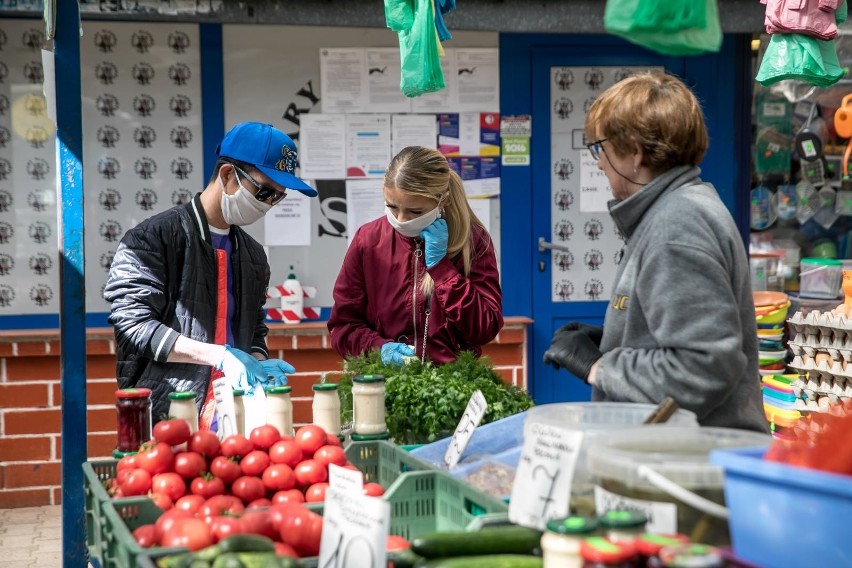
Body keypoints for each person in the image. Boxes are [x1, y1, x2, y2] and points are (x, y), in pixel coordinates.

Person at [543, 72, 768, 433]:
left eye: (601, 147)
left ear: (634, 152)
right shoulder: (681, 206)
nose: (598, 162)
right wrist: (620, 339)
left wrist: (599, 367)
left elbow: (703, 367)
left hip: (691, 468)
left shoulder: (676, 224)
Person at [104, 122, 317, 428]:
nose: (269, 204)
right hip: (167, 417)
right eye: (265, 191)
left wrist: (257, 360)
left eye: (278, 197)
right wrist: (217, 355)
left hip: (233, 418)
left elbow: (253, 328)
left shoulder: (254, 255)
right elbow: (133, 325)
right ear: (228, 175)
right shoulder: (153, 238)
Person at [328, 145, 503, 365]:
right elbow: (343, 325)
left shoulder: (473, 241)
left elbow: (484, 328)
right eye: (392, 207)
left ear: (443, 200)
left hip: (452, 383)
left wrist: (442, 270)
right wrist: (379, 349)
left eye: (415, 211)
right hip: (384, 382)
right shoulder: (368, 240)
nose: (401, 219)